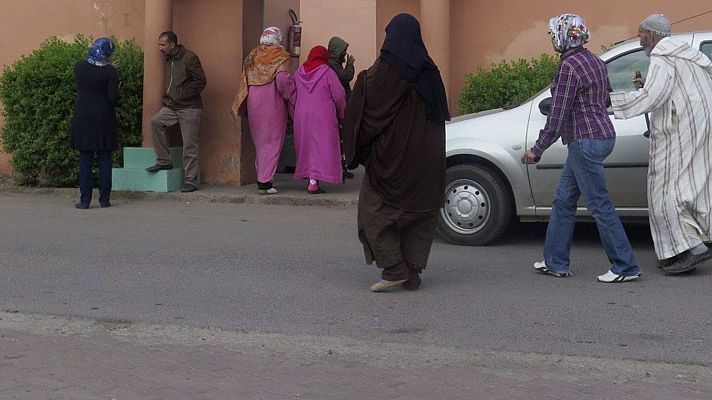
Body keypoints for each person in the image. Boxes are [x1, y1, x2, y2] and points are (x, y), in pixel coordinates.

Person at [521, 14, 641, 283]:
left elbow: (558, 115)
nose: (552, 39)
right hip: (602, 137)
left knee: (599, 205)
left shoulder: (569, 68)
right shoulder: (596, 62)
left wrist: (537, 149)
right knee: (563, 200)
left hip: (584, 142)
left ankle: (625, 265)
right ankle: (555, 262)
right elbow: (605, 98)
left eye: (554, 34)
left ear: (565, 36)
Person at [342, 13, 449, 292]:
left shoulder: (385, 71)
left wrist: (358, 148)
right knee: (420, 214)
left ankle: (394, 268)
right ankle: (412, 272)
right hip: (428, 161)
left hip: (393, 159)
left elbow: (368, 113)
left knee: (373, 211)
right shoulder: (431, 72)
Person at [610, 14, 712, 274]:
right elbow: (675, 88)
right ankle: (697, 240)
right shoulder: (688, 54)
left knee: (665, 191)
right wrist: (648, 84)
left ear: (653, 35)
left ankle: (687, 250)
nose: (640, 39)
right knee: (694, 187)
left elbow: (653, 97)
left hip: (677, 133)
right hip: (699, 130)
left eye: (641, 34)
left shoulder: (662, 56)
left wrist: (612, 101)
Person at [233, 27, 296, 195]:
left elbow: (244, 79)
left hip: (254, 103)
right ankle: (265, 182)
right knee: (272, 142)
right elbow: (283, 80)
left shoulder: (253, 55)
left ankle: (263, 176)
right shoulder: (281, 56)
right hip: (272, 104)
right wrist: (293, 95)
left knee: (260, 143)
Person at [145, 31, 207, 193]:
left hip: (190, 107)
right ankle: (164, 160)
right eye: (159, 44)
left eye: (163, 45)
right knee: (156, 122)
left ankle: (191, 180)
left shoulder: (189, 57)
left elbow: (200, 81)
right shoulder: (169, 59)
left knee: (189, 145)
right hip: (172, 106)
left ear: (172, 45)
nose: (160, 48)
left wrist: (182, 95)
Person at [70, 38, 119, 209]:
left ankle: (85, 201)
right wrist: (113, 72)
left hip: (83, 116)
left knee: (85, 158)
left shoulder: (79, 67)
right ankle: (104, 200)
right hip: (104, 118)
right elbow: (113, 98)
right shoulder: (111, 72)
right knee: (105, 158)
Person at [293, 45, 346, 194]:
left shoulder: (299, 72)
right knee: (322, 146)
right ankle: (315, 180)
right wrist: (341, 112)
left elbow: (293, 91)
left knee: (308, 146)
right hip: (324, 115)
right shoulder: (328, 73)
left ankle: (311, 179)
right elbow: (339, 95)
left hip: (302, 114)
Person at [328, 36, 357, 180]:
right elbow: (345, 77)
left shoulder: (335, 63)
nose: (345, 54)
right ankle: (341, 166)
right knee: (340, 137)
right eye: (344, 51)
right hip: (338, 107)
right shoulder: (333, 65)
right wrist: (350, 65)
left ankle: (343, 165)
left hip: (341, 104)